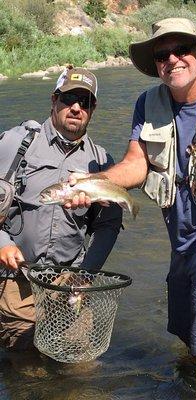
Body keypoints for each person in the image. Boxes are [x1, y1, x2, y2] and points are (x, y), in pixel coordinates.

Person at [66, 19, 196, 397]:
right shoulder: (146, 104)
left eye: (181, 50)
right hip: (181, 244)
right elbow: (136, 164)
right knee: (189, 339)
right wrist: (92, 182)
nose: (172, 59)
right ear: (155, 64)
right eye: (161, 55)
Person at [0, 66, 122, 351]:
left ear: (93, 108)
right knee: (29, 372)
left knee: (78, 375)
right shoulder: (16, 143)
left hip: (72, 284)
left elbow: (108, 225)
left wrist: (86, 275)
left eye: (85, 102)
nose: (76, 108)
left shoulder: (102, 161)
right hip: (17, 281)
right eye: (68, 99)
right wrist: (2, 243)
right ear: (54, 100)